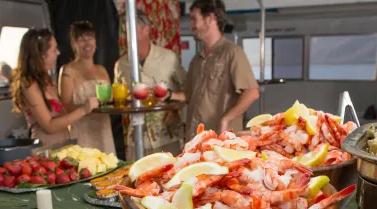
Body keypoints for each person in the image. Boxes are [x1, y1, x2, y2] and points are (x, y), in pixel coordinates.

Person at [114, 10, 186, 160]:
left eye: (132, 30)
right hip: (137, 139)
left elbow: (188, 91)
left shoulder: (168, 58)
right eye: (126, 31)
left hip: (166, 137)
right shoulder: (121, 65)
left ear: (146, 30)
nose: (127, 36)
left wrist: (174, 109)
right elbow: (118, 100)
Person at [183, 0, 258, 138]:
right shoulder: (196, 60)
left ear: (210, 18)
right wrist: (167, 95)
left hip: (220, 140)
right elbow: (188, 96)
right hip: (194, 138)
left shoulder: (233, 53)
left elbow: (252, 92)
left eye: (194, 19)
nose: (191, 25)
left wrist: (227, 118)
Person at [10, 28, 98, 146]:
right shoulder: (29, 85)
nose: (58, 53)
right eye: (54, 49)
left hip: (64, 144)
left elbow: (64, 115)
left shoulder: (48, 80)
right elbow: (49, 126)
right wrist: (84, 110)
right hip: (46, 150)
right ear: (41, 54)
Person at [59, 21, 116, 153]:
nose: (87, 43)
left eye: (90, 38)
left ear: (96, 42)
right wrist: (85, 107)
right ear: (74, 43)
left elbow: (110, 102)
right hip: (82, 133)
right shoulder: (68, 70)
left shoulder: (102, 70)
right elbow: (65, 107)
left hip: (104, 129)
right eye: (81, 39)